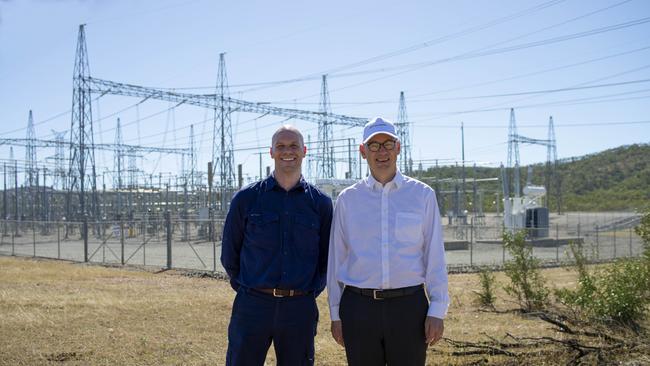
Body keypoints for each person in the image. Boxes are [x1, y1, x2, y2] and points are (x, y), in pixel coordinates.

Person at [327, 117, 450, 366]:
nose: (381, 151)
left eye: (387, 144)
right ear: (363, 152)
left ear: (398, 148)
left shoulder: (422, 195)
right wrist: (335, 313)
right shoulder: (348, 200)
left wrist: (437, 310)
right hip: (359, 309)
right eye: (373, 145)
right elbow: (336, 260)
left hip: (409, 308)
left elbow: (434, 256)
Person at [221, 125, 333, 366]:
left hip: (299, 307)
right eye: (280, 146)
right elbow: (230, 254)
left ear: (304, 151)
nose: (287, 151)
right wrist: (248, 289)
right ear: (271, 152)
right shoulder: (247, 198)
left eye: (293, 146)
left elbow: (326, 258)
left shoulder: (320, 203)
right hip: (252, 305)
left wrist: (307, 293)